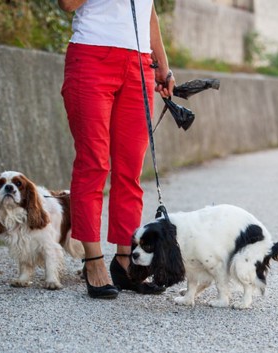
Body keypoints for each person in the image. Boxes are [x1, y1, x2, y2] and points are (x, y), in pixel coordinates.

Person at [58, 0, 175, 299]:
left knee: (130, 168)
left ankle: (125, 261)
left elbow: (148, 10)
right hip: (91, 55)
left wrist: (161, 64)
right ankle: (93, 260)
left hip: (139, 65)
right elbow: (67, 4)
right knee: (93, 163)